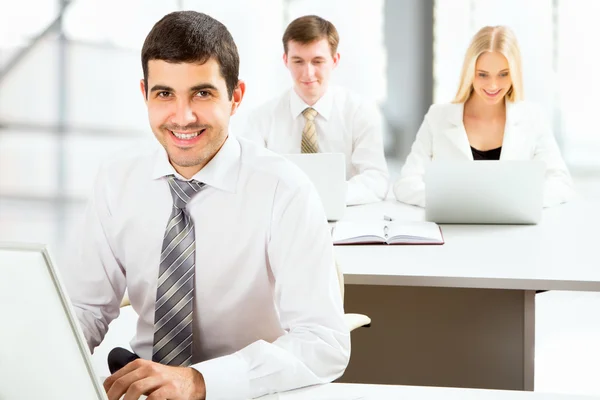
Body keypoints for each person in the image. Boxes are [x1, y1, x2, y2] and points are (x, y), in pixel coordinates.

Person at [62, 11, 349, 400]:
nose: (183, 117)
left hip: (249, 391)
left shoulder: (285, 190)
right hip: (144, 390)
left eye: (202, 93)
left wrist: (199, 381)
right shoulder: (117, 182)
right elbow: (83, 309)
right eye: (165, 94)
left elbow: (324, 343)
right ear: (144, 93)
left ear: (235, 97)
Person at [393, 25, 574, 208]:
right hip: (455, 229)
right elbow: (406, 184)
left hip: (514, 231)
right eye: (483, 75)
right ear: (470, 73)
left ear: (514, 74)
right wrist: (452, 203)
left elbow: (561, 182)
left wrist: (518, 202)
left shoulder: (533, 118)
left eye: (503, 74)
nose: (493, 85)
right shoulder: (438, 117)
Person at [242, 15, 389, 206]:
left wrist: (326, 197)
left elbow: (376, 180)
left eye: (317, 61)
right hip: (282, 217)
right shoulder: (261, 118)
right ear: (285, 60)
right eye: (298, 61)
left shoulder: (360, 113)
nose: (308, 73)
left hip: (345, 219)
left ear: (335, 60)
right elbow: (249, 178)